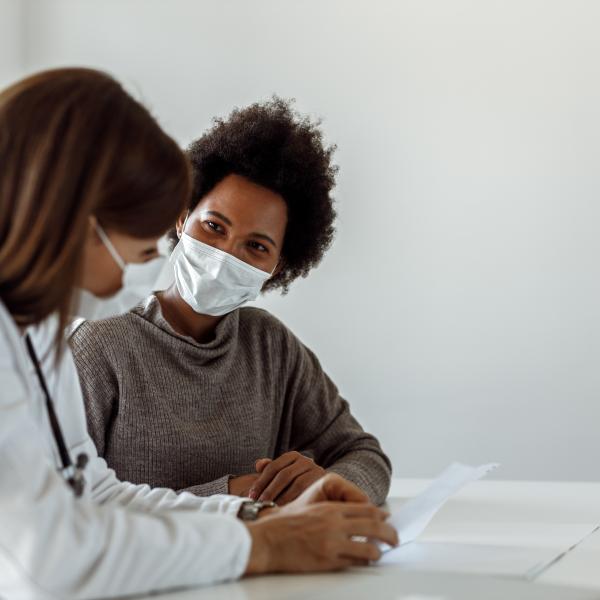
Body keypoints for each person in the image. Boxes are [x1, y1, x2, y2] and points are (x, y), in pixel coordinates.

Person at [0, 68, 398, 599]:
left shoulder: (31, 338)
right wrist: (261, 542)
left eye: (256, 247)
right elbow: (47, 555)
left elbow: (93, 492)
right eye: (138, 253)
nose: (131, 279)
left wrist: (257, 516)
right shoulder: (83, 343)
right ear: (73, 218)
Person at [70, 98, 392, 507]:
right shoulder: (100, 346)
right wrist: (232, 498)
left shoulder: (271, 348)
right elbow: (71, 509)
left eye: (256, 246)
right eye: (214, 226)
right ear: (181, 218)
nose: (225, 254)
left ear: (277, 266)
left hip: (270, 567)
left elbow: (366, 457)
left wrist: (328, 484)